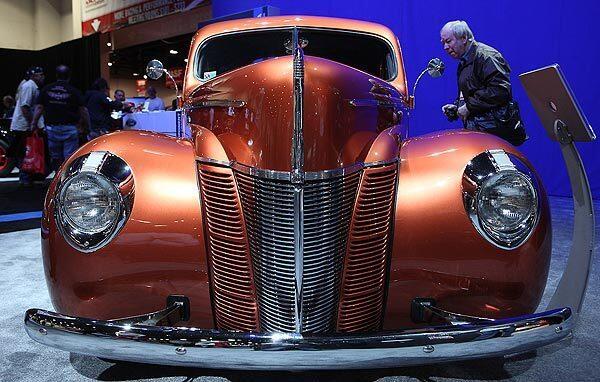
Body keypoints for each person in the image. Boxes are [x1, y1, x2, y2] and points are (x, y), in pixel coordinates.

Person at [440, 20, 526, 145]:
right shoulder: (465, 61)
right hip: (481, 133)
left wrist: (469, 107)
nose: (445, 47)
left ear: (464, 38)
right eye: (443, 43)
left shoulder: (487, 56)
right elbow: (473, 91)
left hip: (496, 134)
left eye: (448, 41)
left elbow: (500, 90)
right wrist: (458, 108)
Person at [32, 65, 88, 172]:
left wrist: (33, 124)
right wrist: (87, 126)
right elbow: (83, 110)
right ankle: (66, 180)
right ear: (69, 76)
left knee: (56, 158)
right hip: (70, 128)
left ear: (56, 75)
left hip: (52, 129)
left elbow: (39, 108)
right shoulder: (74, 91)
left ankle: (57, 179)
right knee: (69, 158)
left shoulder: (46, 89)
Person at [10, 66, 44, 185]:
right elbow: (25, 107)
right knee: (26, 152)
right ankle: (24, 177)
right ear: (33, 76)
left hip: (25, 124)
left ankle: (28, 176)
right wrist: (33, 123)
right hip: (23, 125)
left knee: (27, 151)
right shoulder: (29, 86)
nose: (42, 77)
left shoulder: (31, 86)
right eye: (40, 74)